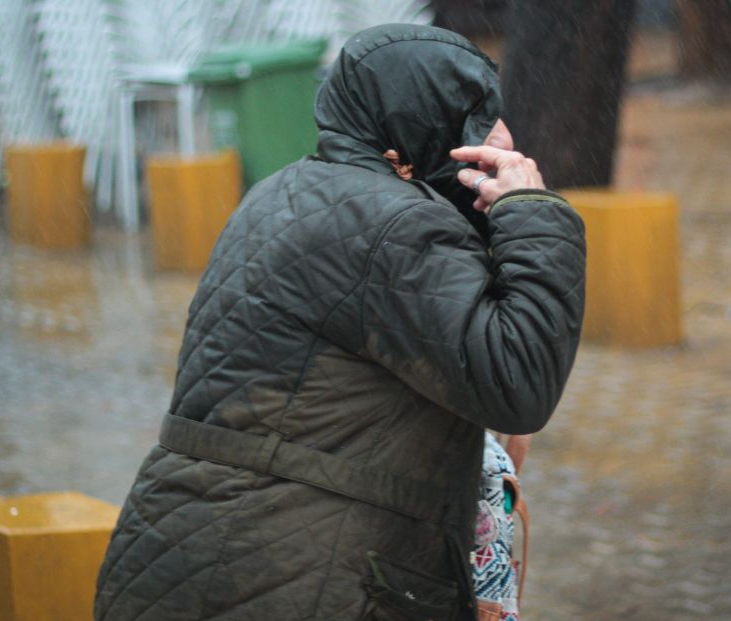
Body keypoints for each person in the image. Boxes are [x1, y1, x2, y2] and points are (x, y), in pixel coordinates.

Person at [94, 23, 585, 620]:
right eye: (477, 115)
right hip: (296, 577)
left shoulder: (286, 194)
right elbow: (519, 380)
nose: (500, 137)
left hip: (185, 553)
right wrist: (529, 213)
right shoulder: (390, 226)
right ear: (427, 125)